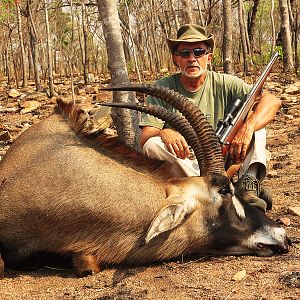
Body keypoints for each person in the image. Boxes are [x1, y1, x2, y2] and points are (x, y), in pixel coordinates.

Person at [139, 24, 281, 212]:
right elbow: (145, 136)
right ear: (176, 58)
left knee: (257, 125)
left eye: (198, 52)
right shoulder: (162, 88)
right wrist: (165, 131)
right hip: (188, 166)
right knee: (153, 144)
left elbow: (272, 100)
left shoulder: (226, 83)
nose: (192, 59)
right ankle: (214, 190)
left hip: (227, 158)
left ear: (209, 57)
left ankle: (248, 186)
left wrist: (248, 127)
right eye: (185, 53)